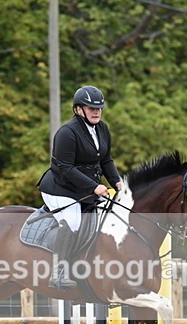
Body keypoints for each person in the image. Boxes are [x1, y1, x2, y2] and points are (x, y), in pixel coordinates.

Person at [37, 85, 124, 290]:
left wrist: (118, 183)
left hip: (85, 188)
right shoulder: (67, 133)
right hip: (60, 188)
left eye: (99, 108)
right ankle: (58, 272)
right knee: (73, 221)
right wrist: (94, 187)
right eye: (91, 108)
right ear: (78, 109)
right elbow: (65, 168)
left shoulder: (102, 129)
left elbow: (106, 160)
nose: (96, 111)